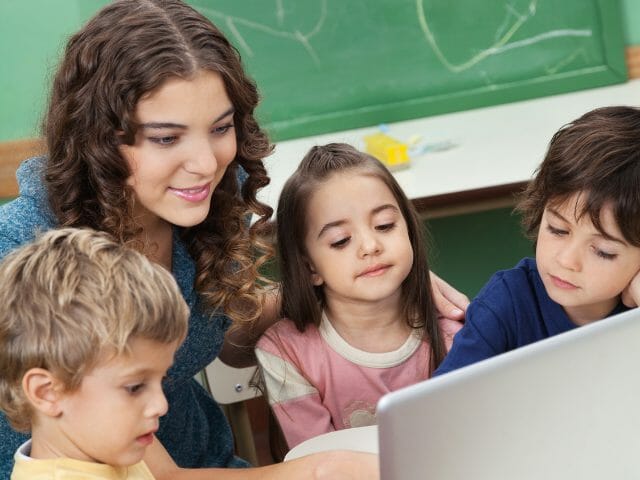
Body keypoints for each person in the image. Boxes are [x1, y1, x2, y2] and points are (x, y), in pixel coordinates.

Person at [0, 1, 467, 477]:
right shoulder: (24, 255)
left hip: (211, 462)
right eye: (166, 138)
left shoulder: (200, 207)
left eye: (221, 128)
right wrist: (317, 470)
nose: (206, 162)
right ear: (98, 138)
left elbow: (223, 327)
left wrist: (365, 281)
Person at [255, 143, 462, 448]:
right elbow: (319, 464)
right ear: (309, 265)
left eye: (385, 225)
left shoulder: (455, 331)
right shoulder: (286, 354)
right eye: (340, 241)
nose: (370, 246)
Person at [435, 106, 640, 376]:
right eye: (557, 230)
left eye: (603, 252)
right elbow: (440, 408)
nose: (566, 260)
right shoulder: (507, 302)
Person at [0, 228, 189, 480]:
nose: (161, 405)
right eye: (134, 387)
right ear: (46, 392)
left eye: (161, 380)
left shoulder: (104, 453)